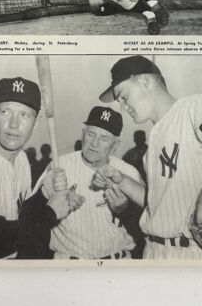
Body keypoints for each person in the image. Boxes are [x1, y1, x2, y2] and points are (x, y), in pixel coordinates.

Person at [95, 56, 202, 259]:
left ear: (144, 81)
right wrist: (121, 180)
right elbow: (159, 206)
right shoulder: (153, 142)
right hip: (155, 251)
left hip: (193, 251)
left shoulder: (191, 108)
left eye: (123, 96)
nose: (122, 106)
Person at [0, 76, 83, 259]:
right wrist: (51, 212)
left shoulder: (21, 158)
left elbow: (22, 218)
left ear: (36, 122)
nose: (14, 124)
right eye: (5, 112)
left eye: (25, 115)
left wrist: (44, 194)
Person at [45, 106, 144, 259]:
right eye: (91, 134)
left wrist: (126, 211)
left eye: (104, 138)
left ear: (115, 145)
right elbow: (34, 220)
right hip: (70, 266)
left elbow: (147, 224)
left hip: (117, 263)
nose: (94, 144)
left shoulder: (128, 172)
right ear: (83, 134)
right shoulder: (58, 166)